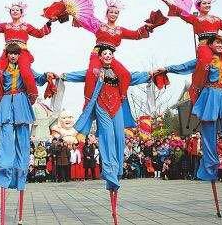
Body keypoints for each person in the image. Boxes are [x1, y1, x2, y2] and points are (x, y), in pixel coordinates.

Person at [157, 34, 222, 220]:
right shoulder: (203, 60)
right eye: (216, 42)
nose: (219, 45)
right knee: (208, 138)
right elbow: (186, 66)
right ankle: (210, 168)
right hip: (209, 99)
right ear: (210, 45)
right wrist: (168, 68)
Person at [61, 45, 154, 224]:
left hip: (117, 107)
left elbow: (133, 77)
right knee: (107, 138)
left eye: (110, 54)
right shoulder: (95, 72)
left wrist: (149, 74)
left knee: (119, 138)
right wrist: (64, 76)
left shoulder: (119, 72)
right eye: (104, 54)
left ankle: (117, 171)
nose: (108, 56)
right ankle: (110, 172)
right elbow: (80, 75)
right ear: (100, 57)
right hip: (102, 106)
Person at [0, 43, 55, 225]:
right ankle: (3, 167)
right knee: (6, 137)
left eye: (15, 54)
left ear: (19, 55)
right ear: (6, 55)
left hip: (21, 102)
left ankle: (20, 172)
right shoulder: (1, 70)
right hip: (7, 102)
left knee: (22, 140)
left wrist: (47, 76)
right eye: (10, 54)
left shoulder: (25, 68)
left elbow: (37, 78)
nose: (13, 57)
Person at [0, 1, 54, 104]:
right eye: (12, 10)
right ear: (10, 13)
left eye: (17, 10)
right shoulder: (5, 26)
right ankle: (2, 98)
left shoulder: (26, 26)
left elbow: (39, 33)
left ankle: (32, 96)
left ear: (21, 12)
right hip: (8, 52)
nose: (15, 11)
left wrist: (49, 22)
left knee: (26, 73)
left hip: (22, 52)